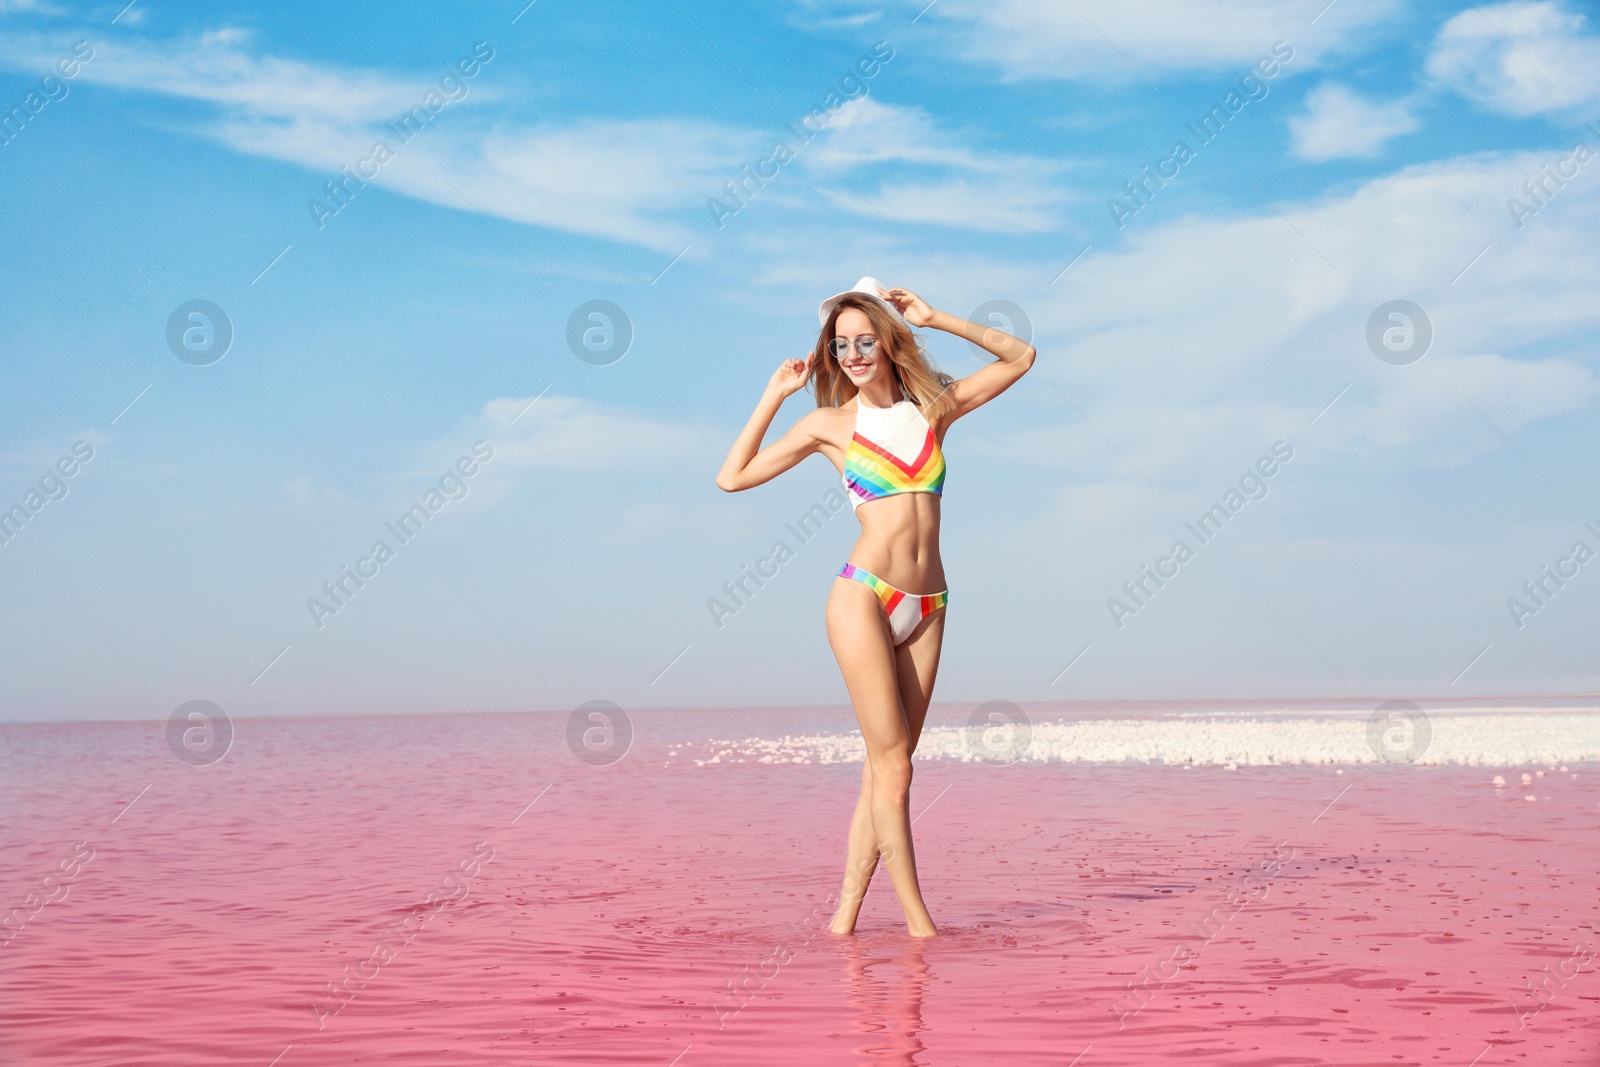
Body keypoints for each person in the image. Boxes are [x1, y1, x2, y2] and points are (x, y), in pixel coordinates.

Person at [716, 277, 1035, 936]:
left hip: (929, 600)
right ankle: (921, 925)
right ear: (832, 358)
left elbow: (1020, 357)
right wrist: (773, 397)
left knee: (884, 770)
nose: (854, 354)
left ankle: (842, 923)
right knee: (895, 767)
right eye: (842, 346)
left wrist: (935, 316)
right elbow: (733, 476)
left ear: (889, 344)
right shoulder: (828, 425)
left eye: (866, 341)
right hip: (863, 595)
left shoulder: (934, 410)